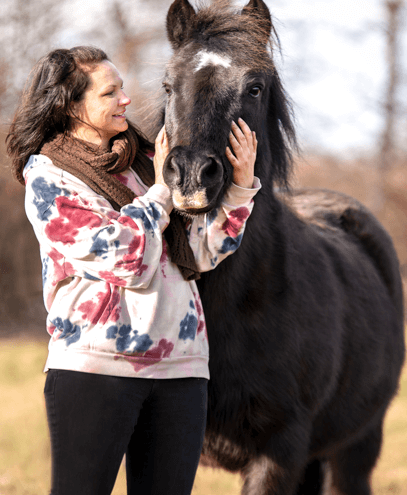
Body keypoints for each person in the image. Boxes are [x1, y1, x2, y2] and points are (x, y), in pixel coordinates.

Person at [6, 46, 260, 495]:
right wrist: (163, 193)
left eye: (122, 87)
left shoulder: (144, 164)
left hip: (182, 371)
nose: (126, 99)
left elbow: (200, 252)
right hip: (95, 371)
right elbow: (124, 257)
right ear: (72, 106)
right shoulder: (49, 179)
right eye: (110, 92)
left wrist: (240, 188)